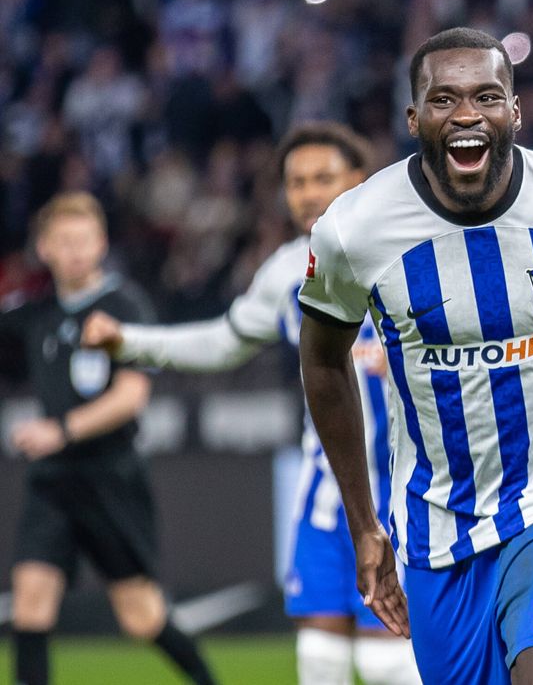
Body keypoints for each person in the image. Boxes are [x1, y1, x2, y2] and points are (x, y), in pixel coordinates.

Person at [297, 27, 533, 685]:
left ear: (515, 111)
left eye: (486, 96)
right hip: (438, 520)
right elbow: (322, 362)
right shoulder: (353, 230)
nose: (465, 115)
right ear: (413, 118)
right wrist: (365, 526)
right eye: (443, 99)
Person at [80, 123, 422, 685]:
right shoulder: (287, 271)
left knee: (386, 662)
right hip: (326, 495)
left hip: (409, 491)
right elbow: (224, 341)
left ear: (360, 181)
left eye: (323, 178)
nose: (309, 193)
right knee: (320, 659)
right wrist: (130, 342)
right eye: (296, 182)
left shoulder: (411, 250)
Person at [2, 193, 215, 685]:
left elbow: (130, 397)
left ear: (101, 244)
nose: (75, 251)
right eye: (64, 241)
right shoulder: (36, 314)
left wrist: (62, 430)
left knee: (141, 617)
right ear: (44, 248)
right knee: (30, 602)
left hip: (110, 477)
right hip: (52, 481)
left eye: (84, 240)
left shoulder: (124, 305)